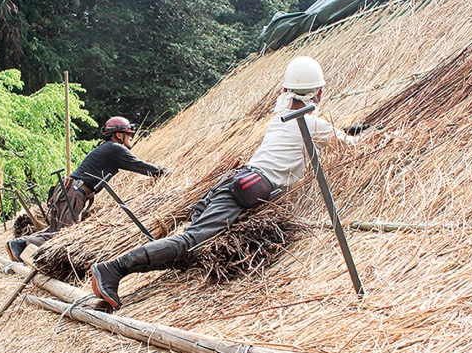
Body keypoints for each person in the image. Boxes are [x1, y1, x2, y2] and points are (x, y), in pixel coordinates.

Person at [91, 56, 356, 310]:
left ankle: (114, 274)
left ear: (287, 90)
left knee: (189, 255)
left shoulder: (281, 119)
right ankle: (113, 268)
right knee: (190, 242)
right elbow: (350, 146)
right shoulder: (307, 122)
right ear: (317, 94)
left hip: (233, 183)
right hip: (243, 190)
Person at [5, 116, 167, 262]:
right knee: (65, 234)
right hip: (74, 193)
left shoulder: (108, 149)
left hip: (66, 191)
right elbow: (137, 165)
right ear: (119, 135)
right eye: (129, 134)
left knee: (56, 229)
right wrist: (161, 173)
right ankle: (24, 245)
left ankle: (19, 245)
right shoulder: (116, 149)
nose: (131, 137)